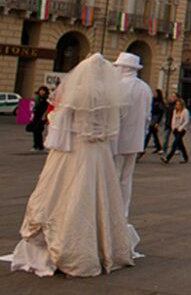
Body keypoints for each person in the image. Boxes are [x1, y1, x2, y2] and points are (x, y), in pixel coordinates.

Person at [11, 54, 135, 277]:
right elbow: (113, 126)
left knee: (67, 194)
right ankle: (102, 245)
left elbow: (60, 122)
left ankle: (71, 247)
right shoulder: (109, 94)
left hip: (76, 149)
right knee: (100, 196)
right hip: (100, 152)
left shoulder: (77, 92)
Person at [112, 52, 152, 222]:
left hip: (118, 138)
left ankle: (113, 208)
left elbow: (115, 113)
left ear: (124, 67)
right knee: (127, 177)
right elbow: (148, 116)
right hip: (136, 139)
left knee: (114, 175)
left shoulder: (118, 86)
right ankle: (124, 210)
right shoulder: (145, 88)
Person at [161, 99, 190, 164]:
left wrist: (181, 127)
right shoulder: (175, 111)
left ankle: (167, 158)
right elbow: (173, 119)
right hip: (175, 129)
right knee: (180, 144)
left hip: (182, 130)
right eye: (176, 104)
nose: (177, 106)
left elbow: (186, 121)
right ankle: (186, 157)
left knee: (175, 144)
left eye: (179, 104)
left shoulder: (185, 111)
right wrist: (173, 127)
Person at [28, 86, 51, 152]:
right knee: (35, 131)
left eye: (43, 91)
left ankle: (38, 146)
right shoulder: (38, 98)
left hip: (42, 117)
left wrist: (45, 116)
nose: (41, 92)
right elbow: (35, 107)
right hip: (36, 116)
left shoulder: (46, 99)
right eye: (41, 90)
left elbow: (47, 108)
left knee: (37, 130)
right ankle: (37, 145)